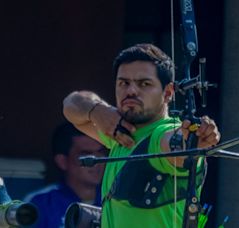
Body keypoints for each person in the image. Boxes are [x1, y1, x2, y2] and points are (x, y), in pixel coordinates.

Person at [62, 43, 220, 227]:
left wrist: (193, 140)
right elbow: (71, 104)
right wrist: (96, 111)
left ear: (168, 93)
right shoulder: (118, 131)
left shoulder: (162, 133)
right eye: (123, 83)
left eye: (144, 84)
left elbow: (176, 145)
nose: (131, 91)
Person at [24, 122, 108, 228]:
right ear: (62, 161)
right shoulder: (40, 203)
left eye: (100, 152)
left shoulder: (115, 200)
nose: (97, 162)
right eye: (86, 155)